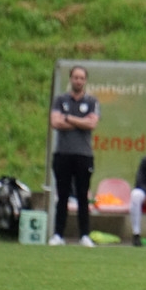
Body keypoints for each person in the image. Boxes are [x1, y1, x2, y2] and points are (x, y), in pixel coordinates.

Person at [49, 65, 101, 247]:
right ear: (70, 79)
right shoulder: (60, 100)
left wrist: (69, 118)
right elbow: (55, 122)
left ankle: (84, 235)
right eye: (75, 77)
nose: (78, 81)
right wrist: (81, 122)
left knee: (82, 195)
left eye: (81, 78)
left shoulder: (92, 102)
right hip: (63, 153)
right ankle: (58, 235)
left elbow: (91, 124)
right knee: (62, 195)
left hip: (83, 155)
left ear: (85, 81)